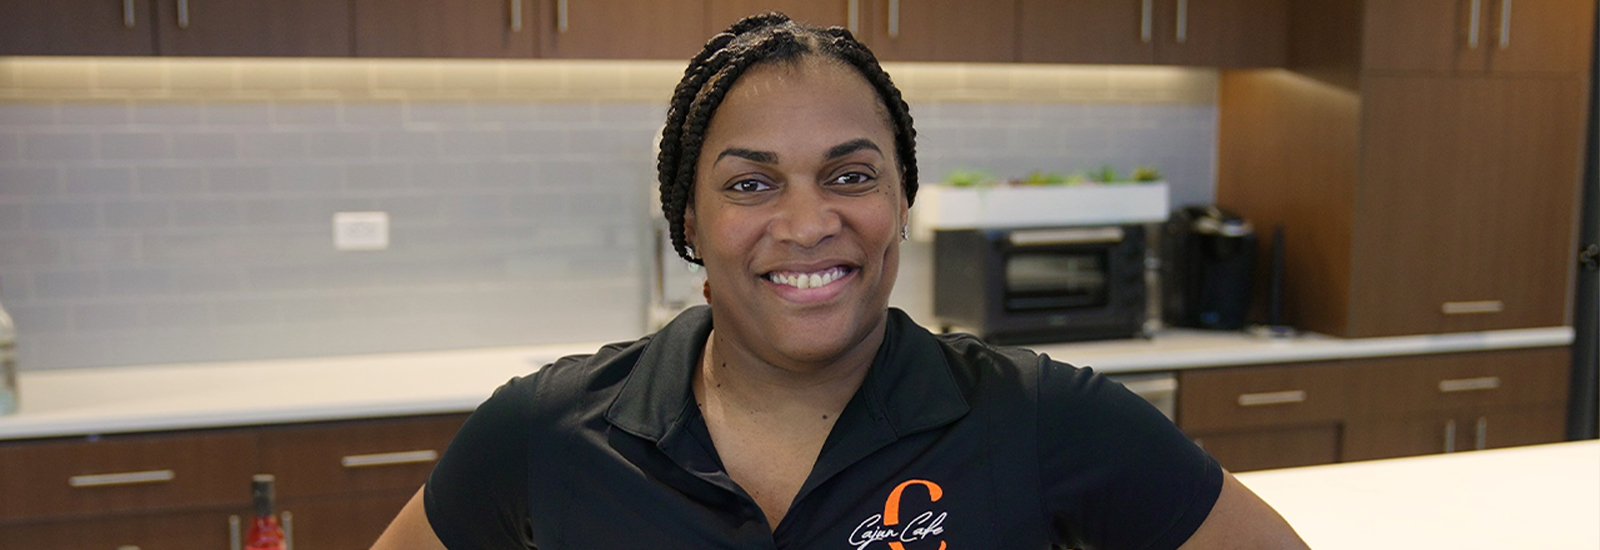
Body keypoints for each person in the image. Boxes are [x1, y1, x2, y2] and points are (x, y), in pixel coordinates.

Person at [373, 13, 1308, 550]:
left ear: (903, 202)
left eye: (851, 176)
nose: (808, 220)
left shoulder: (1041, 418)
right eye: (751, 183)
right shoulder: (546, 431)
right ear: (690, 223)